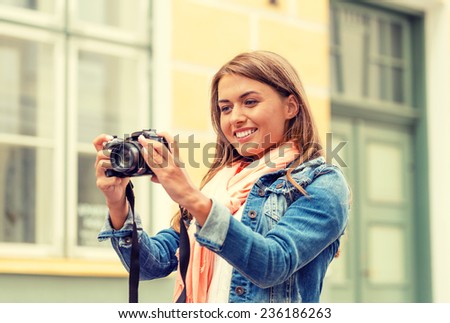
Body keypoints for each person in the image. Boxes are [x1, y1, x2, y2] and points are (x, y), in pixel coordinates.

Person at [93, 50, 350, 303]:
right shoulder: (221, 184)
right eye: (225, 108)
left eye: (250, 102)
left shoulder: (322, 182)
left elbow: (272, 264)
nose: (235, 118)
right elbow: (153, 264)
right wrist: (118, 203)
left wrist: (192, 198)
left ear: (290, 106)